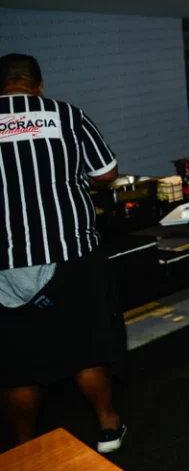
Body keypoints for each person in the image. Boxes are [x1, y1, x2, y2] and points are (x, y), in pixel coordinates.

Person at [0, 54, 127, 452]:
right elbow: (106, 173)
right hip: (70, 253)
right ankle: (108, 428)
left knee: (17, 365)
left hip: (4, 264)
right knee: (86, 348)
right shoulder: (67, 115)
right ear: (38, 85)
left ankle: (25, 447)